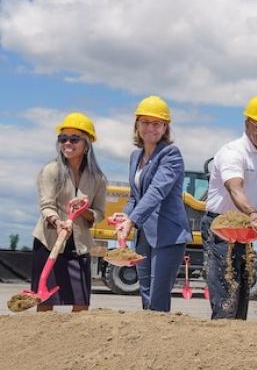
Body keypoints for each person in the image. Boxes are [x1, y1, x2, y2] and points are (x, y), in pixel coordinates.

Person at [201, 94, 257, 319]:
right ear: (247, 123)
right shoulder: (232, 152)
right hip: (221, 229)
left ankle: (235, 337)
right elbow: (235, 188)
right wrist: (254, 214)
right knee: (225, 295)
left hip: (245, 233)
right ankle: (222, 338)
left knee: (241, 297)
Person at [114, 96, 191, 312]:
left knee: (157, 296)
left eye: (156, 123)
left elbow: (156, 191)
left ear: (165, 127)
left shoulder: (170, 155)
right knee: (146, 294)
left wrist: (132, 220)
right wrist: (125, 215)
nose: (150, 128)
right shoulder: (135, 157)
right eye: (145, 122)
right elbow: (135, 196)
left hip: (168, 235)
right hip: (145, 237)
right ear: (137, 125)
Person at [32, 112, 106, 312]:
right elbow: (46, 205)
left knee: (81, 304)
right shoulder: (51, 170)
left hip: (79, 246)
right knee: (45, 303)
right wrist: (58, 223)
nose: (67, 143)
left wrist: (83, 211)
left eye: (74, 139)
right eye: (63, 138)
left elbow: (99, 213)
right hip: (49, 243)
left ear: (87, 143)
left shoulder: (97, 178)